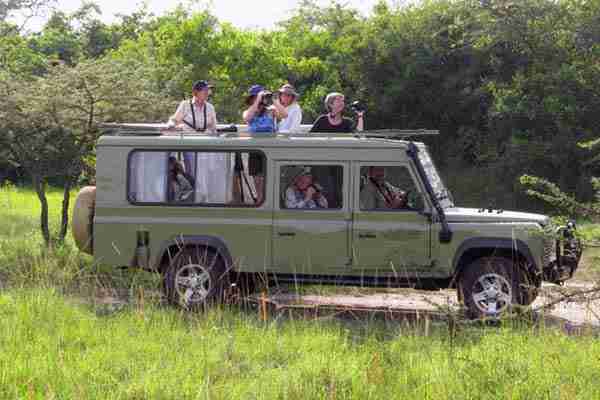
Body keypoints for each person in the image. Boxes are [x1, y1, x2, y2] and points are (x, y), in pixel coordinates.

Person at [167, 80, 218, 175]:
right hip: (190, 144)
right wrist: (170, 125)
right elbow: (174, 120)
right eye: (205, 90)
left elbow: (213, 128)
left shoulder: (210, 107)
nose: (208, 93)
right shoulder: (185, 105)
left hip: (206, 145)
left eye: (208, 91)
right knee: (192, 172)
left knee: (207, 173)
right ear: (195, 92)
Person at [242, 84, 276, 203]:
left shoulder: (271, 111)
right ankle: (260, 202)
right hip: (256, 149)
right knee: (258, 180)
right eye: (257, 96)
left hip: (270, 149)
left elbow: (284, 115)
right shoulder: (249, 111)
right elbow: (247, 118)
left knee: (270, 179)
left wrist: (274, 100)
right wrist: (257, 101)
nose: (261, 99)